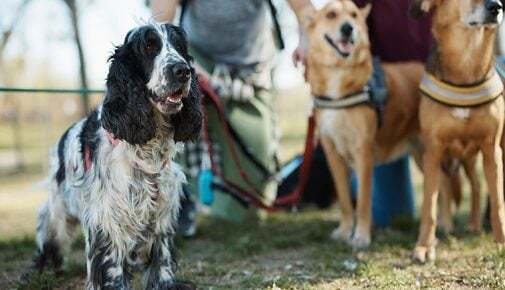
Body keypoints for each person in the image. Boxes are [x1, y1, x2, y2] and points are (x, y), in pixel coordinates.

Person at [150, 0, 315, 235]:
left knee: (246, 212)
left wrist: (307, 40)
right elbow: (160, 22)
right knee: (173, 109)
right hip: (197, 60)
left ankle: (227, 202)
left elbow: (304, 8)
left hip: (252, 70)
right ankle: (181, 198)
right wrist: (185, 65)